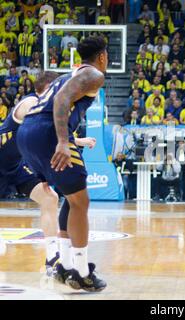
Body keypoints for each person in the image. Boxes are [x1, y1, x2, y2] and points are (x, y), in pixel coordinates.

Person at [17, 36, 108, 292]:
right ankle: (81, 273)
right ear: (102, 56)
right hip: (47, 133)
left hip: (28, 133)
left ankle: (64, 266)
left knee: (71, 199)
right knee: (81, 202)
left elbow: (45, 102)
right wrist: (62, 141)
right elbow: (61, 102)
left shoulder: (64, 75)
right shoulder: (94, 75)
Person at [0, 71, 60, 273]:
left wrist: (75, 141)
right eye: (58, 87)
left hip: (15, 166)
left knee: (50, 198)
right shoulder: (29, 102)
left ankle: (53, 258)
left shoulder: (47, 111)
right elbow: (39, 132)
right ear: (50, 88)